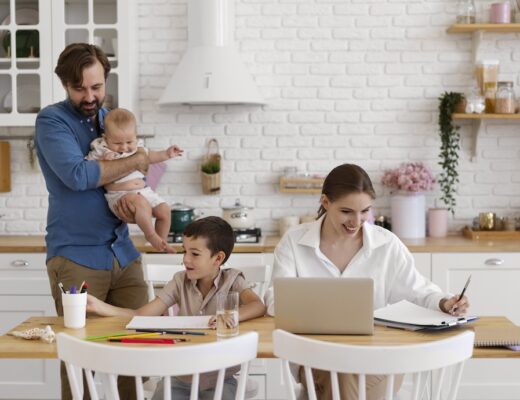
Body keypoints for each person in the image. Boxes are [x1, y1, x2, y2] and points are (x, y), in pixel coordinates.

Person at [265, 163, 470, 400]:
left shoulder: (387, 244)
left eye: (364, 211)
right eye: (346, 211)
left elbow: (418, 290)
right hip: (313, 357)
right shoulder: (294, 242)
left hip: (379, 357)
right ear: (325, 202)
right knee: (338, 371)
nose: (357, 221)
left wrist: (445, 302)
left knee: (342, 376)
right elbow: (275, 300)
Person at [34, 43, 150, 400]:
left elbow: (142, 175)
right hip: (76, 257)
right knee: (81, 364)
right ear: (64, 84)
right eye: (79, 88)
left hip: (123, 254)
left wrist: (137, 185)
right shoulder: (52, 121)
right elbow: (78, 175)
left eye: (96, 87)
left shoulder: (112, 119)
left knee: (138, 354)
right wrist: (138, 159)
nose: (89, 96)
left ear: (106, 82)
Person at [87, 216, 267, 400]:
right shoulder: (180, 281)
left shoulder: (233, 280)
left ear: (218, 258)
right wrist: (100, 307)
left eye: (195, 254)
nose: (186, 259)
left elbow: (258, 305)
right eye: (185, 251)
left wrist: (234, 315)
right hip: (180, 376)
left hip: (220, 378)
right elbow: (141, 315)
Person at [86, 107, 182, 253]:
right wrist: (103, 161)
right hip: (120, 195)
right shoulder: (101, 149)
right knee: (141, 203)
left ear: (135, 137)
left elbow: (150, 157)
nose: (124, 147)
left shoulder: (138, 148)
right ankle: (150, 235)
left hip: (143, 191)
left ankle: (161, 242)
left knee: (165, 210)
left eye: (129, 142)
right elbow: (86, 168)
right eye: (118, 144)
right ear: (106, 138)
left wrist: (167, 154)